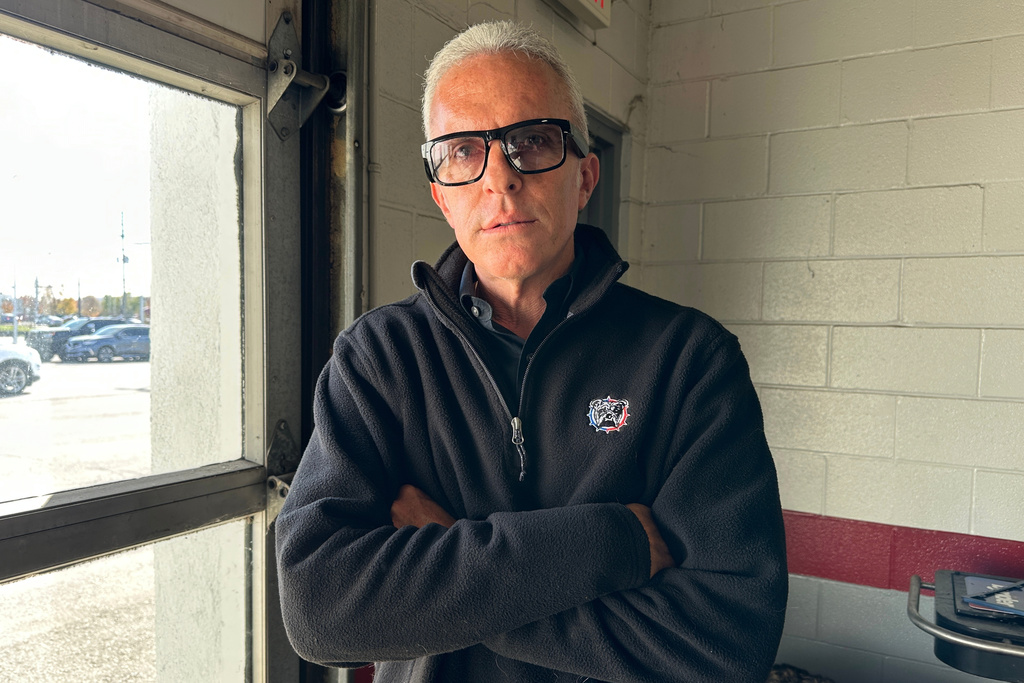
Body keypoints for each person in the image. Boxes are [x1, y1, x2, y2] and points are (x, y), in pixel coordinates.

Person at [276, 20, 787, 683]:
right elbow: (320, 610)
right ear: (440, 194)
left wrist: (445, 555)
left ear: (584, 176)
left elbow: (725, 647)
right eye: (463, 152)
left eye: (533, 141)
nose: (501, 180)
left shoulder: (690, 362)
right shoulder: (380, 360)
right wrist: (609, 543)